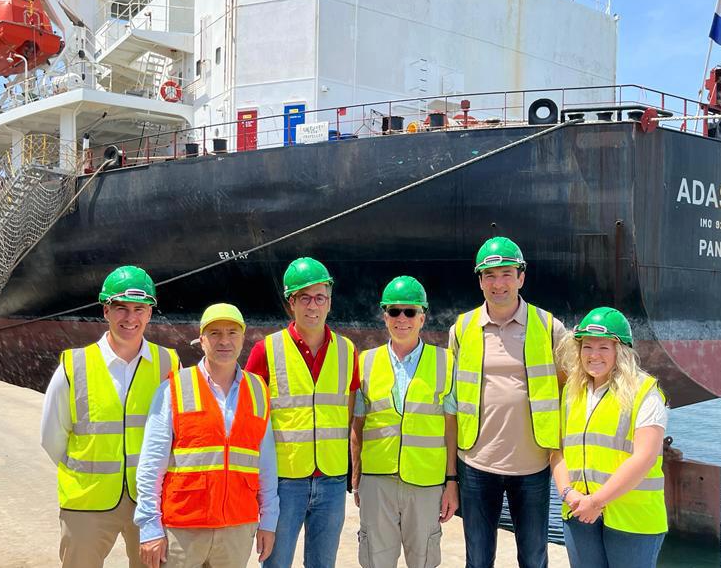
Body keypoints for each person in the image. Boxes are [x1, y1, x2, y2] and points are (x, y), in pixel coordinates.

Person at [40, 265, 181, 568]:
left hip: (149, 501)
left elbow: (178, 433)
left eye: (139, 309)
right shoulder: (75, 365)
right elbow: (51, 438)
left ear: (150, 313)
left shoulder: (169, 363)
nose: (130, 318)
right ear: (106, 311)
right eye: (121, 308)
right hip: (87, 502)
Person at [449, 236, 567, 568]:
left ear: (521, 277)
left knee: (533, 558)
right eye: (489, 275)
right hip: (476, 464)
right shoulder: (462, 328)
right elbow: (452, 400)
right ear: (480, 281)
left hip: (532, 466)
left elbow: (575, 379)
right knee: (478, 560)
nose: (498, 283)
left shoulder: (548, 326)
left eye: (506, 274)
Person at [134, 303, 279, 568]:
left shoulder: (258, 390)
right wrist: (150, 527)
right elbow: (151, 465)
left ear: (243, 337)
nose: (224, 340)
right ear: (201, 340)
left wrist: (268, 521)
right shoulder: (174, 389)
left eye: (232, 332)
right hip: (183, 528)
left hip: (237, 527)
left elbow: (267, 465)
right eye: (215, 333)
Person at [243, 256, 359, 568]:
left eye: (319, 297)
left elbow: (349, 415)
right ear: (290, 303)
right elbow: (250, 421)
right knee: (276, 563)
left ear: (329, 301)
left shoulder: (347, 351)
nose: (312, 306)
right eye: (304, 298)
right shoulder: (266, 351)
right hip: (284, 482)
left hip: (332, 481)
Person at [350, 276, 458, 568]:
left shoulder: (445, 363)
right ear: (384, 316)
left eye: (410, 312)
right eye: (394, 311)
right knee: (375, 561)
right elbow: (357, 427)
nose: (402, 319)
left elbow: (451, 429)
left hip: (425, 484)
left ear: (422, 317)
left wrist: (451, 482)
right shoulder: (365, 362)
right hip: (377, 482)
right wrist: (357, 479)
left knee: (423, 560)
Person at [550, 307, 668, 568]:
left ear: (621, 350)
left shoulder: (644, 392)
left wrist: (596, 501)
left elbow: (645, 458)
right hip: (579, 511)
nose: (593, 355)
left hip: (633, 518)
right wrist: (569, 494)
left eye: (604, 347)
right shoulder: (572, 391)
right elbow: (556, 450)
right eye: (587, 346)